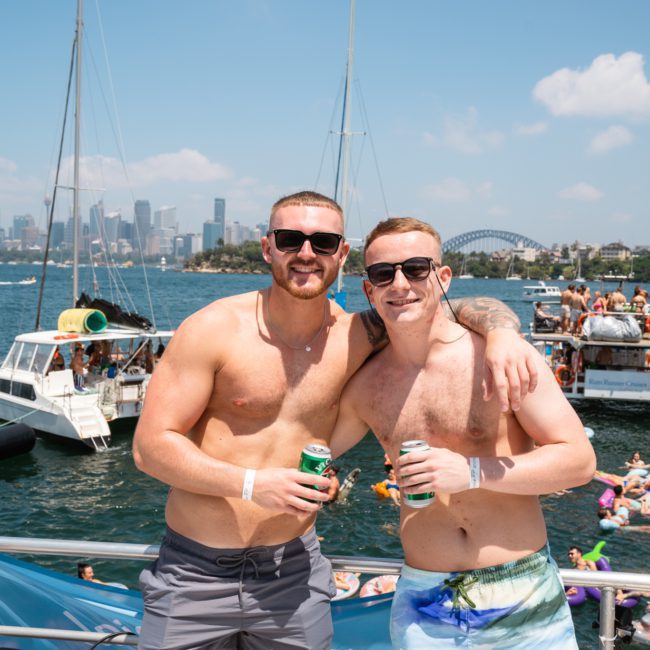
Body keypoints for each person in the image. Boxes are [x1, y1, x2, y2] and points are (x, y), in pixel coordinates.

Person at [132, 191, 539, 650]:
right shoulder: (215, 328)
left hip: (292, 573)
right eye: (291, 239)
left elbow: (439, 304)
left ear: (342, 254)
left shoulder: (359, 336)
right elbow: (150, 448)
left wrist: (503, 331)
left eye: (323, 242)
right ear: (268, 248)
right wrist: (252, 484)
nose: (307, 254)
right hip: (195, 572)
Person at [330, 217, 596, 649]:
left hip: (520, 592)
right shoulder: (365, 387)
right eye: (383, 273)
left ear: (443, 277)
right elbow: (317, 450)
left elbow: (580, 462)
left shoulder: (503, 360)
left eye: (416, 268)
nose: (400, 284)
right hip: (422, 600)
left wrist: (472, 472)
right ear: (369, 289)